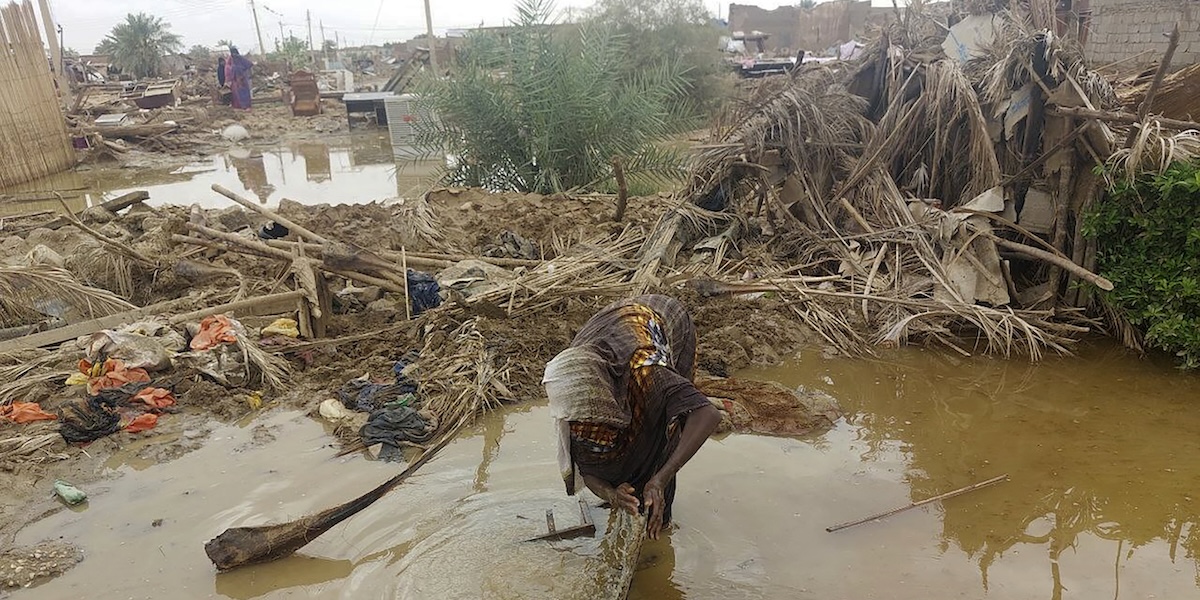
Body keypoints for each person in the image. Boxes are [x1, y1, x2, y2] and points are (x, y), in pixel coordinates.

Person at [543, 295, 721, 540]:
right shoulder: (572, 397)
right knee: (608, 443)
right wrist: (612, 494)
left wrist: (660, 478)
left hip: (662, 321)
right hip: (608, 330)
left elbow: (707, 414)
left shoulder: (647, 371)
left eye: (592, 420)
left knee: (664, 425)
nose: (585, 427)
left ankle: (659, 508)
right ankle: (636, 493)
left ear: (604, 398)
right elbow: (588, 468)